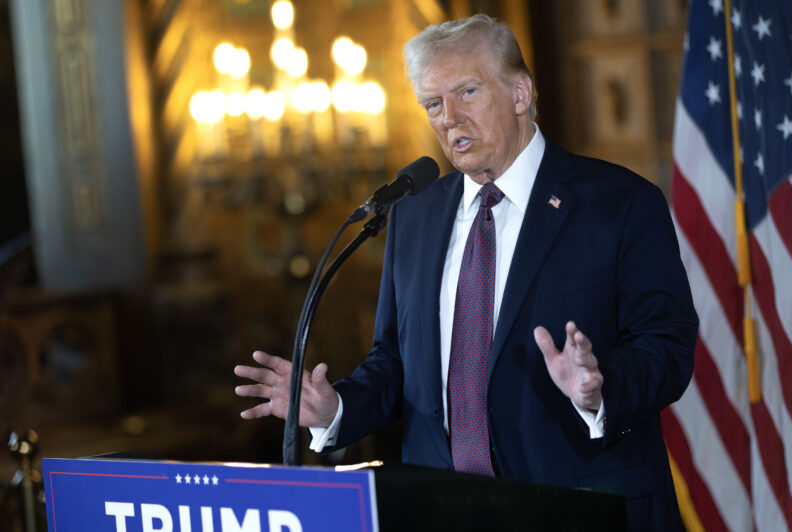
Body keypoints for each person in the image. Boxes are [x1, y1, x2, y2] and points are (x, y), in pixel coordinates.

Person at [234, 14, 698, 531]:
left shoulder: (620, 204)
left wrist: (599, 386)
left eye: (467, 93)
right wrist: (336, 408)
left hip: (584, 505)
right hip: (446, 510)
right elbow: (396, 361)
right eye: (433, 103)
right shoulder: (414, 214)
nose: (449, 118)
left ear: (520, 93)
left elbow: (667, 347)